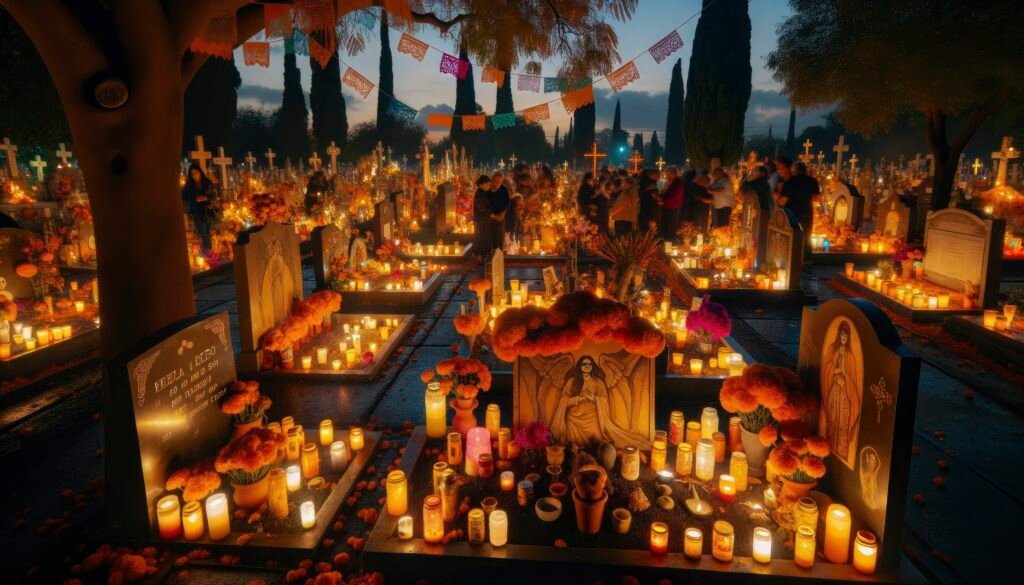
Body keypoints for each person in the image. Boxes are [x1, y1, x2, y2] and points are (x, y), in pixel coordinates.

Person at [778, 161, 821, 241]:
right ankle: (805, 252)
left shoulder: (789, 182)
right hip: (807, 214)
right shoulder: (812, 181)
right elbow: (816, 199)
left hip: (792, 215)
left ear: (793, 171)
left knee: (792, 239)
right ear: (805, 170)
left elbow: (782, 202)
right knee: (806, 238)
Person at [181, 162, 216, 250]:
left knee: (207, 232)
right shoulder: (189, 185)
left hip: (207, 211)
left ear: (200, 172)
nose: (194, 175)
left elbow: (213, 195)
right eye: (192, 174)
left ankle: (209, 251)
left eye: (195, 173)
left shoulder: (207, 183)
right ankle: (208, 251)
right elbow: (184, 196)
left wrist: (206, 198)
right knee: (203, 233)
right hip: (196, 212)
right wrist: (195, 198)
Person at [488, 172, 511, 252]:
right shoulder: (488, 190)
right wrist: (493, 215)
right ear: (492, 180)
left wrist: (502, 213)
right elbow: (485, 205)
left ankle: (499, 257)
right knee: (490, 239)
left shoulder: (504, 189)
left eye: (500, 181)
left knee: (499, 238)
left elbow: (507, 202)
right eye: (497, 181)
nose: (498, 183)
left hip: (501, 218)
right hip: (489, 219)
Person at [660, 166, 684, 240]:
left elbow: (675, 196)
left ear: (673, 174)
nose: (666, 176)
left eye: (667, 174)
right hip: (667, 206)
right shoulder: (670, 182)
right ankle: (667, 239)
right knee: (666, 224)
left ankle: (670, 240)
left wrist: (663, 201)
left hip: (673, 207)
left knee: (671, 225)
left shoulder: (678, 183)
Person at [472, 175, 493, 256]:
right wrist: (491, 214)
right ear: (481, 184)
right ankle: (482, 255)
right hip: (481, 220)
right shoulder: (479, 193)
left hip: (484, 219)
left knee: (485, 237)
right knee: (482, 238)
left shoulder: (484, 192)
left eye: (489, 185)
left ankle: (484, 254)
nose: (489, 186)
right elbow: (481, 207)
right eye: (487, 184)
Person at [637, 168, 662, 233]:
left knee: (644, 228)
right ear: (652, 175)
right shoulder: (651, 185)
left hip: (644, 209)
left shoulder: (642, 183)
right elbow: (657, 198)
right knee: (651, 228)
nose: (659, 177)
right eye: (658, 175)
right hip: (651, 210)